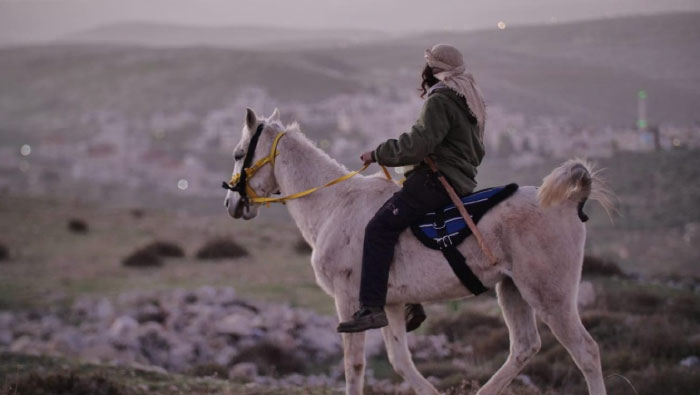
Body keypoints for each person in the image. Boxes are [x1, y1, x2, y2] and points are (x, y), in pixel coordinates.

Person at [337, 44, 487, 333]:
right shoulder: (469, 98)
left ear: (432, 69)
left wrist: (378, 153)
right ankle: (410, 301)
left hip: (437, 180)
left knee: (379, 228)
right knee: (403, 224)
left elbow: (417, 145)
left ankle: (371, 307)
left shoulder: (440, 99)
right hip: (462, 180)